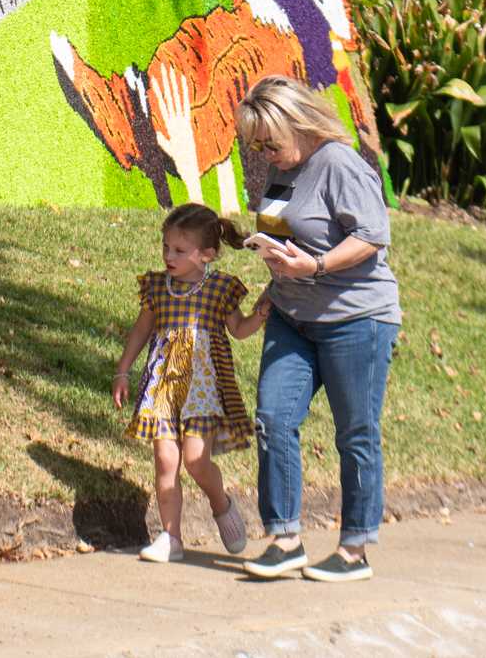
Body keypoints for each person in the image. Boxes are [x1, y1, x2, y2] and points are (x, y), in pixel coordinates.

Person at [235, 74, 399, 583]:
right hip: (291, 315)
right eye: (255, 144)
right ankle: (285, 540)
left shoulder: (339, 164)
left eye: (270, 141)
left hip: (356, 318)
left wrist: (317, 266)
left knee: (355, 432)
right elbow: (283, 233)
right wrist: (271, 276)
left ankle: (355, 550)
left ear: (298, 123)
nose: (264, 152)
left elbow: (372, 236)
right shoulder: (283, 171)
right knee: (273, 418)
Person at [112, 203, 271, 563]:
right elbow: (141, 332)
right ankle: (171, 537)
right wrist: (123, 370)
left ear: (207, 255)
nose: (169, 255)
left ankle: (221, 503)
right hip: (164, 387)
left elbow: (240, 330)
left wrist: (261, 312)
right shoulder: (157, 287)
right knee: (165, 460)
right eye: (166, 247)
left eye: (179, 250)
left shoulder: (220, 289)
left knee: (197, 461)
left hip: (204, 389)